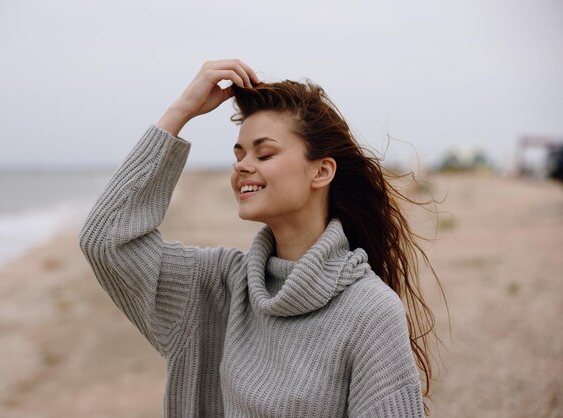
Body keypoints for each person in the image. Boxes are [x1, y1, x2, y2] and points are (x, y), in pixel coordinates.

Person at [80, 59, 438, 417]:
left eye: (263, 153)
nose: (242, 165)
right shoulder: (219, 286)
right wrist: (182, 111)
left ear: (321, 171)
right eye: (239, 154)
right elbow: (106, 241)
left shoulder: (369, 312)